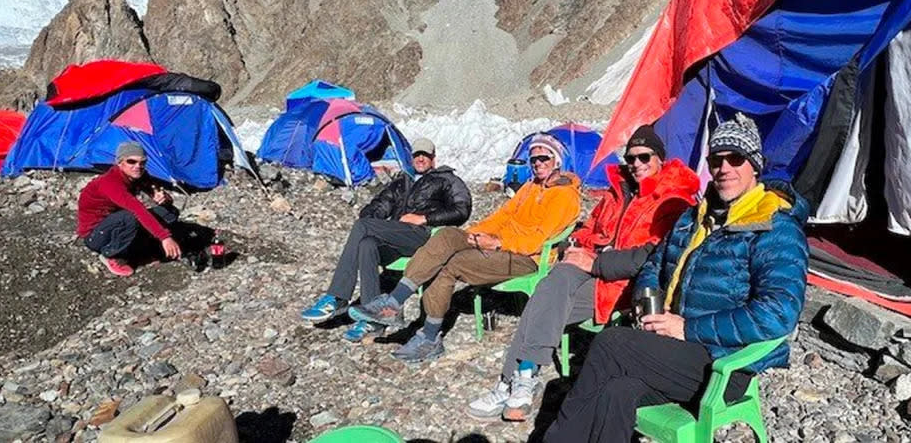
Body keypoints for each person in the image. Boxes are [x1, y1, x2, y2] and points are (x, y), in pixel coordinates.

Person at [543, 113, 809, 443]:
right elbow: (655, 264)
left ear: (755, 166)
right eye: (716, 160)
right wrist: (647, 302)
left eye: (735, 159)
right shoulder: (693, 217)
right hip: (676, 349)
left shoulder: (775, 228)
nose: (724, 168)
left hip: (725, 360)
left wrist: (687, 328)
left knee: (613, 343)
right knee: (616, 391)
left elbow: (779, 313)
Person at [467, 126, 700, 422]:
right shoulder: (618, 191)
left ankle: (514, 379)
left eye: (645, 157)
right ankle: (521, 379)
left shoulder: (673, 200)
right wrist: (576, 245)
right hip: (592, 269)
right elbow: (590, 227)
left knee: (544, 301)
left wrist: (596, 261)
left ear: (660, 160)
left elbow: (653, 257)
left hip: (626, 284)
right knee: (556, 281)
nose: (637, 165)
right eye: (631, 158)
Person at [349, 134, 582, 363]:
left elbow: (538, 240)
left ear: (557, 161)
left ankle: (429, 336)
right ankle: (394, 301)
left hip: (526, 256)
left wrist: (498, 243)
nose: (538, 164)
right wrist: (472, 235)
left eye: (544, 159)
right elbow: (503, 216)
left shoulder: (564, 196)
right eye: (534, 160)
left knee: (450, 265)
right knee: (448, 235)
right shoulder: (531, 187)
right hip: (500, 246)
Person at [300, 137, 472, 342]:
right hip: (398, 234)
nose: (420, 158)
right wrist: (371, 218)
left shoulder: (447, 179)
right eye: (417, 154)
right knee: (367, 244)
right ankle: (373, 319)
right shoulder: (402, 181)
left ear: (433, 159)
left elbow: (462, 210)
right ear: (411, 157)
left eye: (425, 155)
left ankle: (337, 296)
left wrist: (424, 218)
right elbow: (381, 203)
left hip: (424, 236)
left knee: (363, 227)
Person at [77, 141, 182, 277]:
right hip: (94, 234)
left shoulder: (138, 175)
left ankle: (139, 250)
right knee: (130, 217)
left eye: (142, 162)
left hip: (114, 222)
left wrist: (164, 198)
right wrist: (165, 237)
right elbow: (137, 210)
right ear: (120, 163)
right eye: (131, 161)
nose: (137, 166)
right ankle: (111, 254)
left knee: (169, 212)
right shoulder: (111, 183)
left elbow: (156, 191)